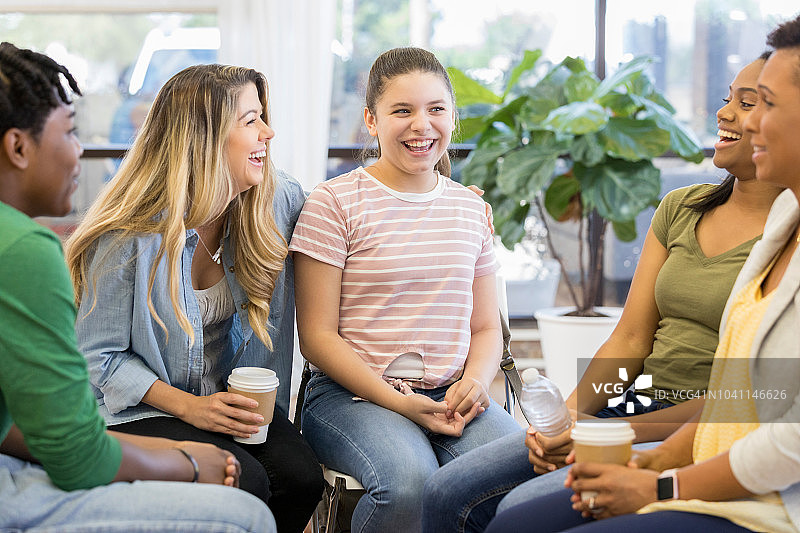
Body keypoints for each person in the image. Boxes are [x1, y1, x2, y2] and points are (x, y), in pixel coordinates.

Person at [422, 52, 784, 533]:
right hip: (636, 401)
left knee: (515, 513)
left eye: (749, 102)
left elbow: (751, 395)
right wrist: (568, 419)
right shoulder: (684, 207)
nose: (725, 113)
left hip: (693, 423)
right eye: (727, 100)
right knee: (445, 491)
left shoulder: (785, 242)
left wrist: (606, 433)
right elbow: (631, 339)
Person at [0, 42, 274, 532]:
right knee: (246, 515)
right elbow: (76, 455)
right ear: (18, 148)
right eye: (71, 132)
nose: (81, 150)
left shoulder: (258, 205)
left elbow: (17, 429)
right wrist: (187, 462)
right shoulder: (24, 250)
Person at [65, 64, 323, 532]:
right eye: (250, 120)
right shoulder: (131, 234)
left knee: (301, 479)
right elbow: (95, 359)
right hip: (139, 409)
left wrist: (446, 202)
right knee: (244, 481)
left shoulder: (276, 199)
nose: (269, 131)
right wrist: (190, 408)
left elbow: (351, 225)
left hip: (228, 401)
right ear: (205, 137)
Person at [289, 46, 521, 533]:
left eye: (436, 109)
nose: (422, 125)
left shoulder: (470, 209)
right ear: (371, 120)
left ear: (452, 118)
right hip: (352, 397)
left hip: (453, 392)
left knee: (519, 477)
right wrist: (399, 402)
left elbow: (484, 327)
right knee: (411, 484)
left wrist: (475, 385)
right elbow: (316, 336)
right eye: (402, 111)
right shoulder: (332, 203)